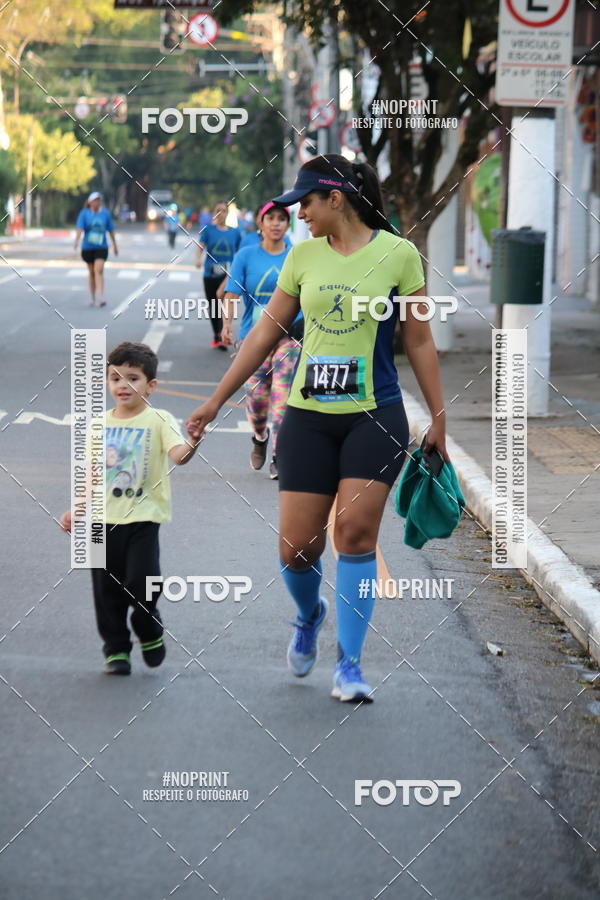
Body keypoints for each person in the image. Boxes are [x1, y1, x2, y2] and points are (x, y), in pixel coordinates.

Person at [186, 155, 449, 704]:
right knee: (296, 550)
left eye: (304, 201)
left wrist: (439, 419)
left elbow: (418, 340)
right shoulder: (302, 258)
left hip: (375, 416)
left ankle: (350, 665)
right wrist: (214, 401)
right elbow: (264, 335)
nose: (297, 212)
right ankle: (309, 614)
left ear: (337, 198)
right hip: (306, 419)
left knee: (354, 537)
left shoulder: (398, 255)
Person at [60, 342, 199, 675]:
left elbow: (178, 455)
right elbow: (92, 472)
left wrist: (193, 440)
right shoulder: (98, 425)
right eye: (115, 378)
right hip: (100, 521)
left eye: (133, 378)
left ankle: (148, 627)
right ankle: (116, 649)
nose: (123, 385)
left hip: (143, 517)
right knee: (105, 591)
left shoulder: (159, 419)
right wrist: (77, 508)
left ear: (151, 385)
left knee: (144, 582)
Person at [221, 201, 302, 480]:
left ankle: (280, 456)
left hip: (288, 337)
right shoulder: (246, 255)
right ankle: (259, 436)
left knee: (283, 399)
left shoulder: (297, 256)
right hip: (253, 339)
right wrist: (226, 325)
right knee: (257, 401)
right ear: (261, 223)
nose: (277, 223)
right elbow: (231, 293)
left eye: (282, 219)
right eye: (271, 218)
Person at [196, 201, 241, 349]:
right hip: (210, 273)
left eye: (223, 211)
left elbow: (240, 253)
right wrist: (197, 259)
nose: (220, 214)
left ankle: (223, 334)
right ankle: (217, 334)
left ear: (228, 213)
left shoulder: (235, 232)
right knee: (213, 305)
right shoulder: (208, 230)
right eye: (218, 210)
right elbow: (201, 246)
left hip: (228, 274)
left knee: (225, 304)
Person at [74, 191, 118, 307]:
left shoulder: (105, 214)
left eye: (98, 200)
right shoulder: (84, 214)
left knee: (99, 270)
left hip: (101, 247)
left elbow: (111, 230)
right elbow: (79, 228)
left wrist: (115, 245)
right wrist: (76, 241)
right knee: (92, 272)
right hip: (88, 247)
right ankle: (91, 296)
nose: (97, 202)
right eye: (95, 200)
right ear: (90, 202)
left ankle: (100, 297)